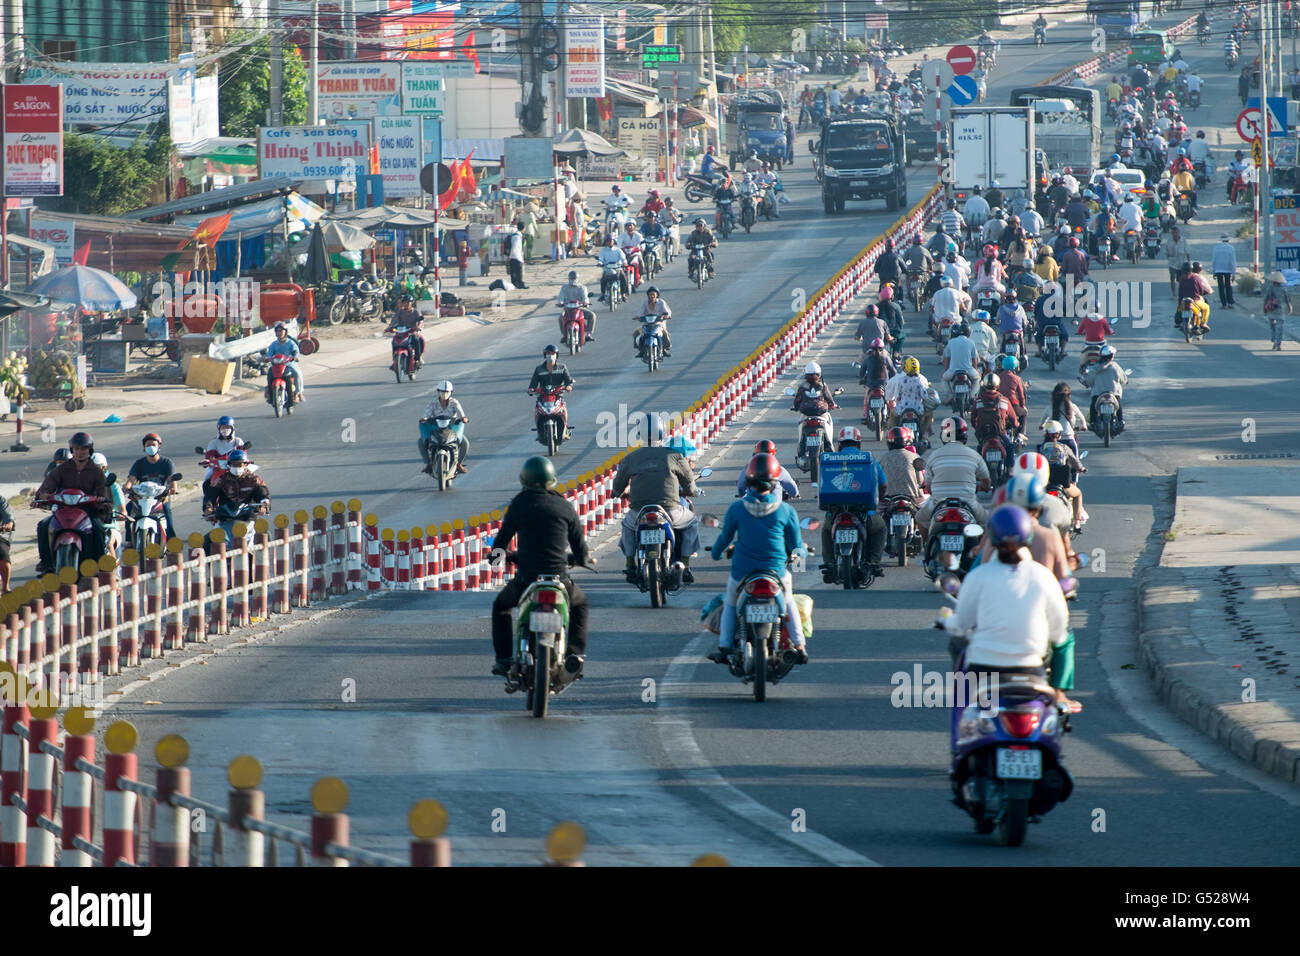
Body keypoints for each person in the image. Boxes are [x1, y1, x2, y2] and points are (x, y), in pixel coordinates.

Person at [940, 504, 1075, 709]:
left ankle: (963, 707)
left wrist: (947, 620)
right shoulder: (1043, 576)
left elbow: (961, 624)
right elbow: (1058, 632)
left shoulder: (979, 576)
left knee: (958, 650)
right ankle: (1058, 693)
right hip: (1031, 667)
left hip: (983, 666)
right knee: (1065, 640)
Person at [490, 456, 592, 678]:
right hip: (560, 580)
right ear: (551, 480)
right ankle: (574, 655)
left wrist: (497, 558)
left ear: (524, 480)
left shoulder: (519, 504)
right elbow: (580, 547)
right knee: (581, 605)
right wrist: (581, 559)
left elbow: (501, 541)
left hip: (527, 579)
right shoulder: (564, 506)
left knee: (501, 606)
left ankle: (504, 659)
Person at [707, 454, 808, 666]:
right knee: (788, 603)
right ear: (774, 483)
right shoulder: (786, 510)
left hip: (743, 572)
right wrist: (803, 554)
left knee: (731, 604)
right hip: (776, 572)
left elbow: (725, 538)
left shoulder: (737, 508)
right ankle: (799, 646)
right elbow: (797, 545)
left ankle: (725, 647)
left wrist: (715, 554)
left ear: (749, 481)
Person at [614, 412, 701, 584]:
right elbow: (689, 482)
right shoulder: (674, 456)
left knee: (627, 526)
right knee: (691, 523)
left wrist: (619, 493)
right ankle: (685, 565)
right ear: (662, 432)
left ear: (640, 433)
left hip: (639, 512)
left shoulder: (631, 458)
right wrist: (691, 491)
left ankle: (630, 564)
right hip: (670, 510)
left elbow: (618, 486)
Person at [819, 427, 888, 582]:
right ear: (858, 443)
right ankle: (873, 562)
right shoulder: (869, 459)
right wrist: (877, 501)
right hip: (865, 514)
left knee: (825, 531)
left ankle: (829, 563)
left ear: (840, 444)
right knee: (880, 528)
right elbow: (883, 485)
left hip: (835, 513)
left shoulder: (831, 459)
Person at [34, 432, 110, 573]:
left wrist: (101, 499)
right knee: (43, 525)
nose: (80, 452)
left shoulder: (96, 472)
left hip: (88, 510)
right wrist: (41, 495)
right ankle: (46, 562)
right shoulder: (61, 469)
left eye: (83, 449)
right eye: (76, 449)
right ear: (72, 450)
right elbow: (48, 485)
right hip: (63, 509)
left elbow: (103, 491)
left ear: (89, 450)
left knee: (99, 528)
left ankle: (100, 564)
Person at [915, 416, 990, 540]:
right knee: (986, 523)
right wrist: (979, 487)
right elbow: (986, 482)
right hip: (968, 503)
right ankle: (978, 552)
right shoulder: (974, 455)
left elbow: (928, 487)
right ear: (964, 436)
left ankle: (927, 547)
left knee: (919, 518)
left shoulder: (934, 455)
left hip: (938, 503)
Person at [123, 433, 180, 543]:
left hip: (160, 497)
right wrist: (127, 487)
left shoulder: (167, 462)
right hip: (142, 498)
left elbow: (172, 480)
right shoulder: (139, 463)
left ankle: (171, 539)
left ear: (159, 446)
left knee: (167, 510)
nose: (151, 447)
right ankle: (129, 540)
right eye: (148, 445)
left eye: (153, 444)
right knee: (128, 509)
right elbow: (131, 479)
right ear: (144, 447)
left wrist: (172, 489)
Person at [1039, 424, 1087, 530]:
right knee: (1078, 494)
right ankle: (1077, 523)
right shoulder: (1064, 447)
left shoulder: (1040, 448)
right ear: (1059, 434)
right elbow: (1076, 463)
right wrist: (1082, 469)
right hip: (1063, 485)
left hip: (1045, 484)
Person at [205, 448, 270, 524]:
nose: (237, 467)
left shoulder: (254, 479)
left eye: (240, 464)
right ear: (229, 465)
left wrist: (263, 506)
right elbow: (210, 495)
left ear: (245, 464)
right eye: (234, 464)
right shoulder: (221, 479)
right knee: (212, 536)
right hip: (225, 518)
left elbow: (263, 494)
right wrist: (208, 508)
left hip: (248, 518)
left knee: (262, 535)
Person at [970, 372, 1019, 471]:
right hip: (1000, 433)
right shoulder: (1004, 401)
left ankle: (979, 470)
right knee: (1009, 446)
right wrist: (1016, 425)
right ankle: (1010, 469)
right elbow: (1014, 420)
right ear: (997, 385)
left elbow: (973, 419)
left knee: (980, 447)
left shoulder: (978, 401)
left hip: (984, 434)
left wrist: (978, 428)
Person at [420, 380, 470, 475]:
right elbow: (427, 413)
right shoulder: (433, 403)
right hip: (436, 430)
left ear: (451, 392)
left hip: (452, 430)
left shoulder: (454, 402)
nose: (444, 394)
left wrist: (463, 418)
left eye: (447, 392)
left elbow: (460, 413)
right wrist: (424, 418)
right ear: (438, 392)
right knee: (421, 442)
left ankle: (459, 464)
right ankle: (428, 463)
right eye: (442, 391)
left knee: (465, 443)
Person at [791, 361, 840, 452]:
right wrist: (833, 405)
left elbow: (797, 400)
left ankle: (801, 442)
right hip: (820, 412)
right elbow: (829, 398)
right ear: (819, 374)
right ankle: (829, 443)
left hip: (806, 412)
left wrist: (795, 407)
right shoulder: (822, 385)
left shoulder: (802, 386)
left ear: (805, 374)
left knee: (800, 424)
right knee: (828, 423)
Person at [200, 416, 247, 509]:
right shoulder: (214, 442)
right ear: (218, 429)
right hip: (219, 469)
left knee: (252, 479)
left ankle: (255, 503)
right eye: (222, 427)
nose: (225, 430)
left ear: (232, 428)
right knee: (207, 483)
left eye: (227, 427)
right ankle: (209, 506)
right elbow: (209, 456)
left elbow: (244, 455)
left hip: (237, 468)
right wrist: (207, 461)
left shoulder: (238, 441)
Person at [528, 345, 575, 438]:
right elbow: (533, 384)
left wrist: (569, 386)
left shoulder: (562, 367)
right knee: (537, 410)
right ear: (545, 355)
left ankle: (565, 427)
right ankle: (539, 430)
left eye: (552, 354)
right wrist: (531, 389)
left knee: (564, 409)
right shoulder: (539, 369)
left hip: (557, 396)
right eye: (548, 353)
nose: (550, 355)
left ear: (556, 355)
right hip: (543, 396)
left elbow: (568, 381)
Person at [1081, 344, 1128, 429]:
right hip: (1114, 393)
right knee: (1118, 406)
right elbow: (1123, 379)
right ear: (1111, 356)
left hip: (1098, 394)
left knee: (1093, 406)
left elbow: (1089, 381)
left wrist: (1087, 383)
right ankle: (1120, 421)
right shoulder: (1115, 366)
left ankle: (1092, 422)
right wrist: (1125, 381)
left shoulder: (1095, 367)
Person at [885, 356, 933, 436]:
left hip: (902, 408)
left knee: (893, 415)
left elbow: (897, 396)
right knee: (930, 414)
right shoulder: (920, 380)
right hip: (918, 409)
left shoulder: (901, 380)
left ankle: (894, 432)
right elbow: (925, 396)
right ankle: (923, 433)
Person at [735, 440, 800, 499]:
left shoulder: (749, 468)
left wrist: (741, 494)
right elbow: (790, 485)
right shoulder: (778, 469)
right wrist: (795, 494)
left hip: (751, 502)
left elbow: (741, 485)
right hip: (775, 504)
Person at [941, 321, 981, 404]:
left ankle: (950, 395)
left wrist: (945, 371)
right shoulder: (971, 342)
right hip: (968, 370)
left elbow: (947, 359)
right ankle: (972, 396)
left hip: (953, 370)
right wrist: (976, 370)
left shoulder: (951, 342)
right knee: (978, 379)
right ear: (968, 333)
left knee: (944, 379)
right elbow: (974, 359)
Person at [385, 294, 426, 371]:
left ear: (412, 303)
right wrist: (390, 327)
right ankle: (395, 361)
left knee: (419, 340)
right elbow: (394, 320)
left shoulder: (416, 312)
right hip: (401, 333)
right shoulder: (400, 312)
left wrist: (419, 327)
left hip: (412, 333)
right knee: (394, 341)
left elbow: (420, 321)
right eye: (405, 302)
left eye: (408, 302)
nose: (406, 304)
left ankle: (417, 360)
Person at [265, 322, 303, 402]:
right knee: (270, 373)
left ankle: (297, 393)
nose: (279, 333)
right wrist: (267, 358)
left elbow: (296, 351)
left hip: (289, 364)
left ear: (285, 332)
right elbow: (269, 354)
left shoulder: (290, 343)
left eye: (281, 331)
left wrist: (295, 357)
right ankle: (269, 392)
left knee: (297, 373)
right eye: (277, 331)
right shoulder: (274, 344)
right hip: (277, 365)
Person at [632, 286, 673, 358]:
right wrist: (637, 316)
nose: (652, 296)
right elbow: (641, 311)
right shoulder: (645, 303)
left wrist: (667, 316)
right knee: (636, 333)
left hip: (659, 324)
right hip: (647, 324)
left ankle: (664, 349)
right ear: (648, 295)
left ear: (657, 295)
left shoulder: (661, 302)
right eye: (650, 294)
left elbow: (667, 311)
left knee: (665, 333)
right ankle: (641, 350)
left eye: (653, 294)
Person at [556, 270, 597, 342]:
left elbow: (585, 298)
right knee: (560, 318)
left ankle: (588, 334)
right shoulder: (564, 287)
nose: (572, 280)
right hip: (568, 309)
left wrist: (586, 303)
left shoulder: (582, 287)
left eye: (574, 278)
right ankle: (564, 335)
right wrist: (560, 302)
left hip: (579, 309)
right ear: (568, 279)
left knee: (592, 316)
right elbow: (561, 297)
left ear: (577, 279)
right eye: (571, 279)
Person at [997, 355, 1028, 442]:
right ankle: (1020, 434)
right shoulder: (1017, 378)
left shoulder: (998, 377)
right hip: (1013, 405)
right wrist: (1022, 406)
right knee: (1024, 413)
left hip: (999, 404)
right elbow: (1021, 396)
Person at [996, 289, 1028, 364]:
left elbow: (997, 320)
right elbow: (1025, 321)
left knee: (1001, 346)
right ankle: (1023, 355)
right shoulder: (1020, 308)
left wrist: (997, 323)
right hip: (1018, 333)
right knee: (1022, 340)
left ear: (1006, 299)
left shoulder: (1001, 308)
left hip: (1005, 333)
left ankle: (1002, 357)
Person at [595, 235, 629, 302]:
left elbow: (623, 258)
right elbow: (600, 259)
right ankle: (603, 294)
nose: (609, 242)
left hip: (618, 268)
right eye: (608, 241)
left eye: (611, 241)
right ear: (605, 242)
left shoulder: (618, 250)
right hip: (607, 269)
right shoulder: (603, 251)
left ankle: (623, 294)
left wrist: (625, 263)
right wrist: (600, 263)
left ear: (613, 241)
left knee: (624, 278)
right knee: (603, 280)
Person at [1162, 225, 1191, 297]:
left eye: (1176, 232)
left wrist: (1189, 262)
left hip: (1182, 263)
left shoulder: (1183, 240)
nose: (1175, 234)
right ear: (1171, 233)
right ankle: (1174, 294)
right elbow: (1166, 251)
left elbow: (1187, 252)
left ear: (1179, 232)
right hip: (1172, 263)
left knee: (1181, 280)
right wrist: (1169, 257)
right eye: (1173, 233)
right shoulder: (1169, 241)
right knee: (1172, 278)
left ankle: (1181, 293)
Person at [1266, 271, 1291, 349]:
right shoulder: (1284, 289)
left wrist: (1265, 308)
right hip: (1280, 310)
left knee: (1272, 326)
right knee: (1279, 327)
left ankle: (1274, 340)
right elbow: (1287, 299)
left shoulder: (1270, 288)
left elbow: (1266, 299)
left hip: (1271, 310)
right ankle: (1278, 344)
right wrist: (1289, 307)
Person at [1211, 235, 1238, 308]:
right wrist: (1233, 273)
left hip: (1218, 270)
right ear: (1228, 240)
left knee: (1221, 287)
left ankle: (1224, 304)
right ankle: (1230, 302)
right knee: (1228, 286)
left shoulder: (1216, 248)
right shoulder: (1231, 248)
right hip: (1228, 270)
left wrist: (1213, 271)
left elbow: (1213, 260)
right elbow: (1233, 261)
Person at [618, 220, 645, 291]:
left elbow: (642, 243)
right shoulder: (622, 236)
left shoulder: (638, 235)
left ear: (634, 226)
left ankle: (641, 277)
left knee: (641, 262)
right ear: (625, 227)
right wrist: (620, 250)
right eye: (628, 225)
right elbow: (619, 245)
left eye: (631, 225)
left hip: (635, 253)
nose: (629, 227)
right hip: (625, 254)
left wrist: (642, 248)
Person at [506, 224, 527, 289]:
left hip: (513, 256)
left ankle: (514, 284)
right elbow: (515, 247)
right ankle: (520, 284)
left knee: (513, 272)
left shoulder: (515, 235)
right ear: (523, 228)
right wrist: (510, 256)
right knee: (518, 272)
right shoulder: (517, 236)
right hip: (516, 257)